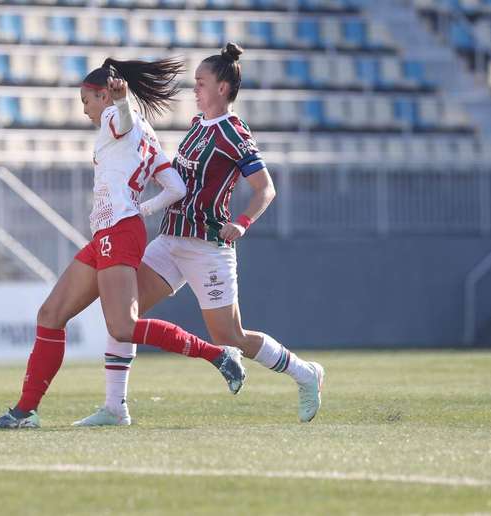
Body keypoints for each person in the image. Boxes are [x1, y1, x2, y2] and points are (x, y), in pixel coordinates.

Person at [0, 57, 247, 430]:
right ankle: (25, 412)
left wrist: (120, 105)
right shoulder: (146, 133)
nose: (85, 110)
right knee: (51, 314)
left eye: (86, 100)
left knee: (122, 326)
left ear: (102, 94)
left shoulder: (116, 116)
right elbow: (177, 188)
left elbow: (118, 120)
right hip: (113, 229)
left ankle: (217, 354)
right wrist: (145, 208)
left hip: (118, 230)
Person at [73, 43, 324, 428]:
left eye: (201, 83)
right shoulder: (196, 125)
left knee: (230, 334)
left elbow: (265, 188)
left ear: (222, 88)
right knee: (123, 317)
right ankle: (114, 407)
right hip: (171, 239)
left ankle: (306, 375)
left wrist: (242, 222)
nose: (195, 89)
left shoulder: (233, 132)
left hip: (208, 246)